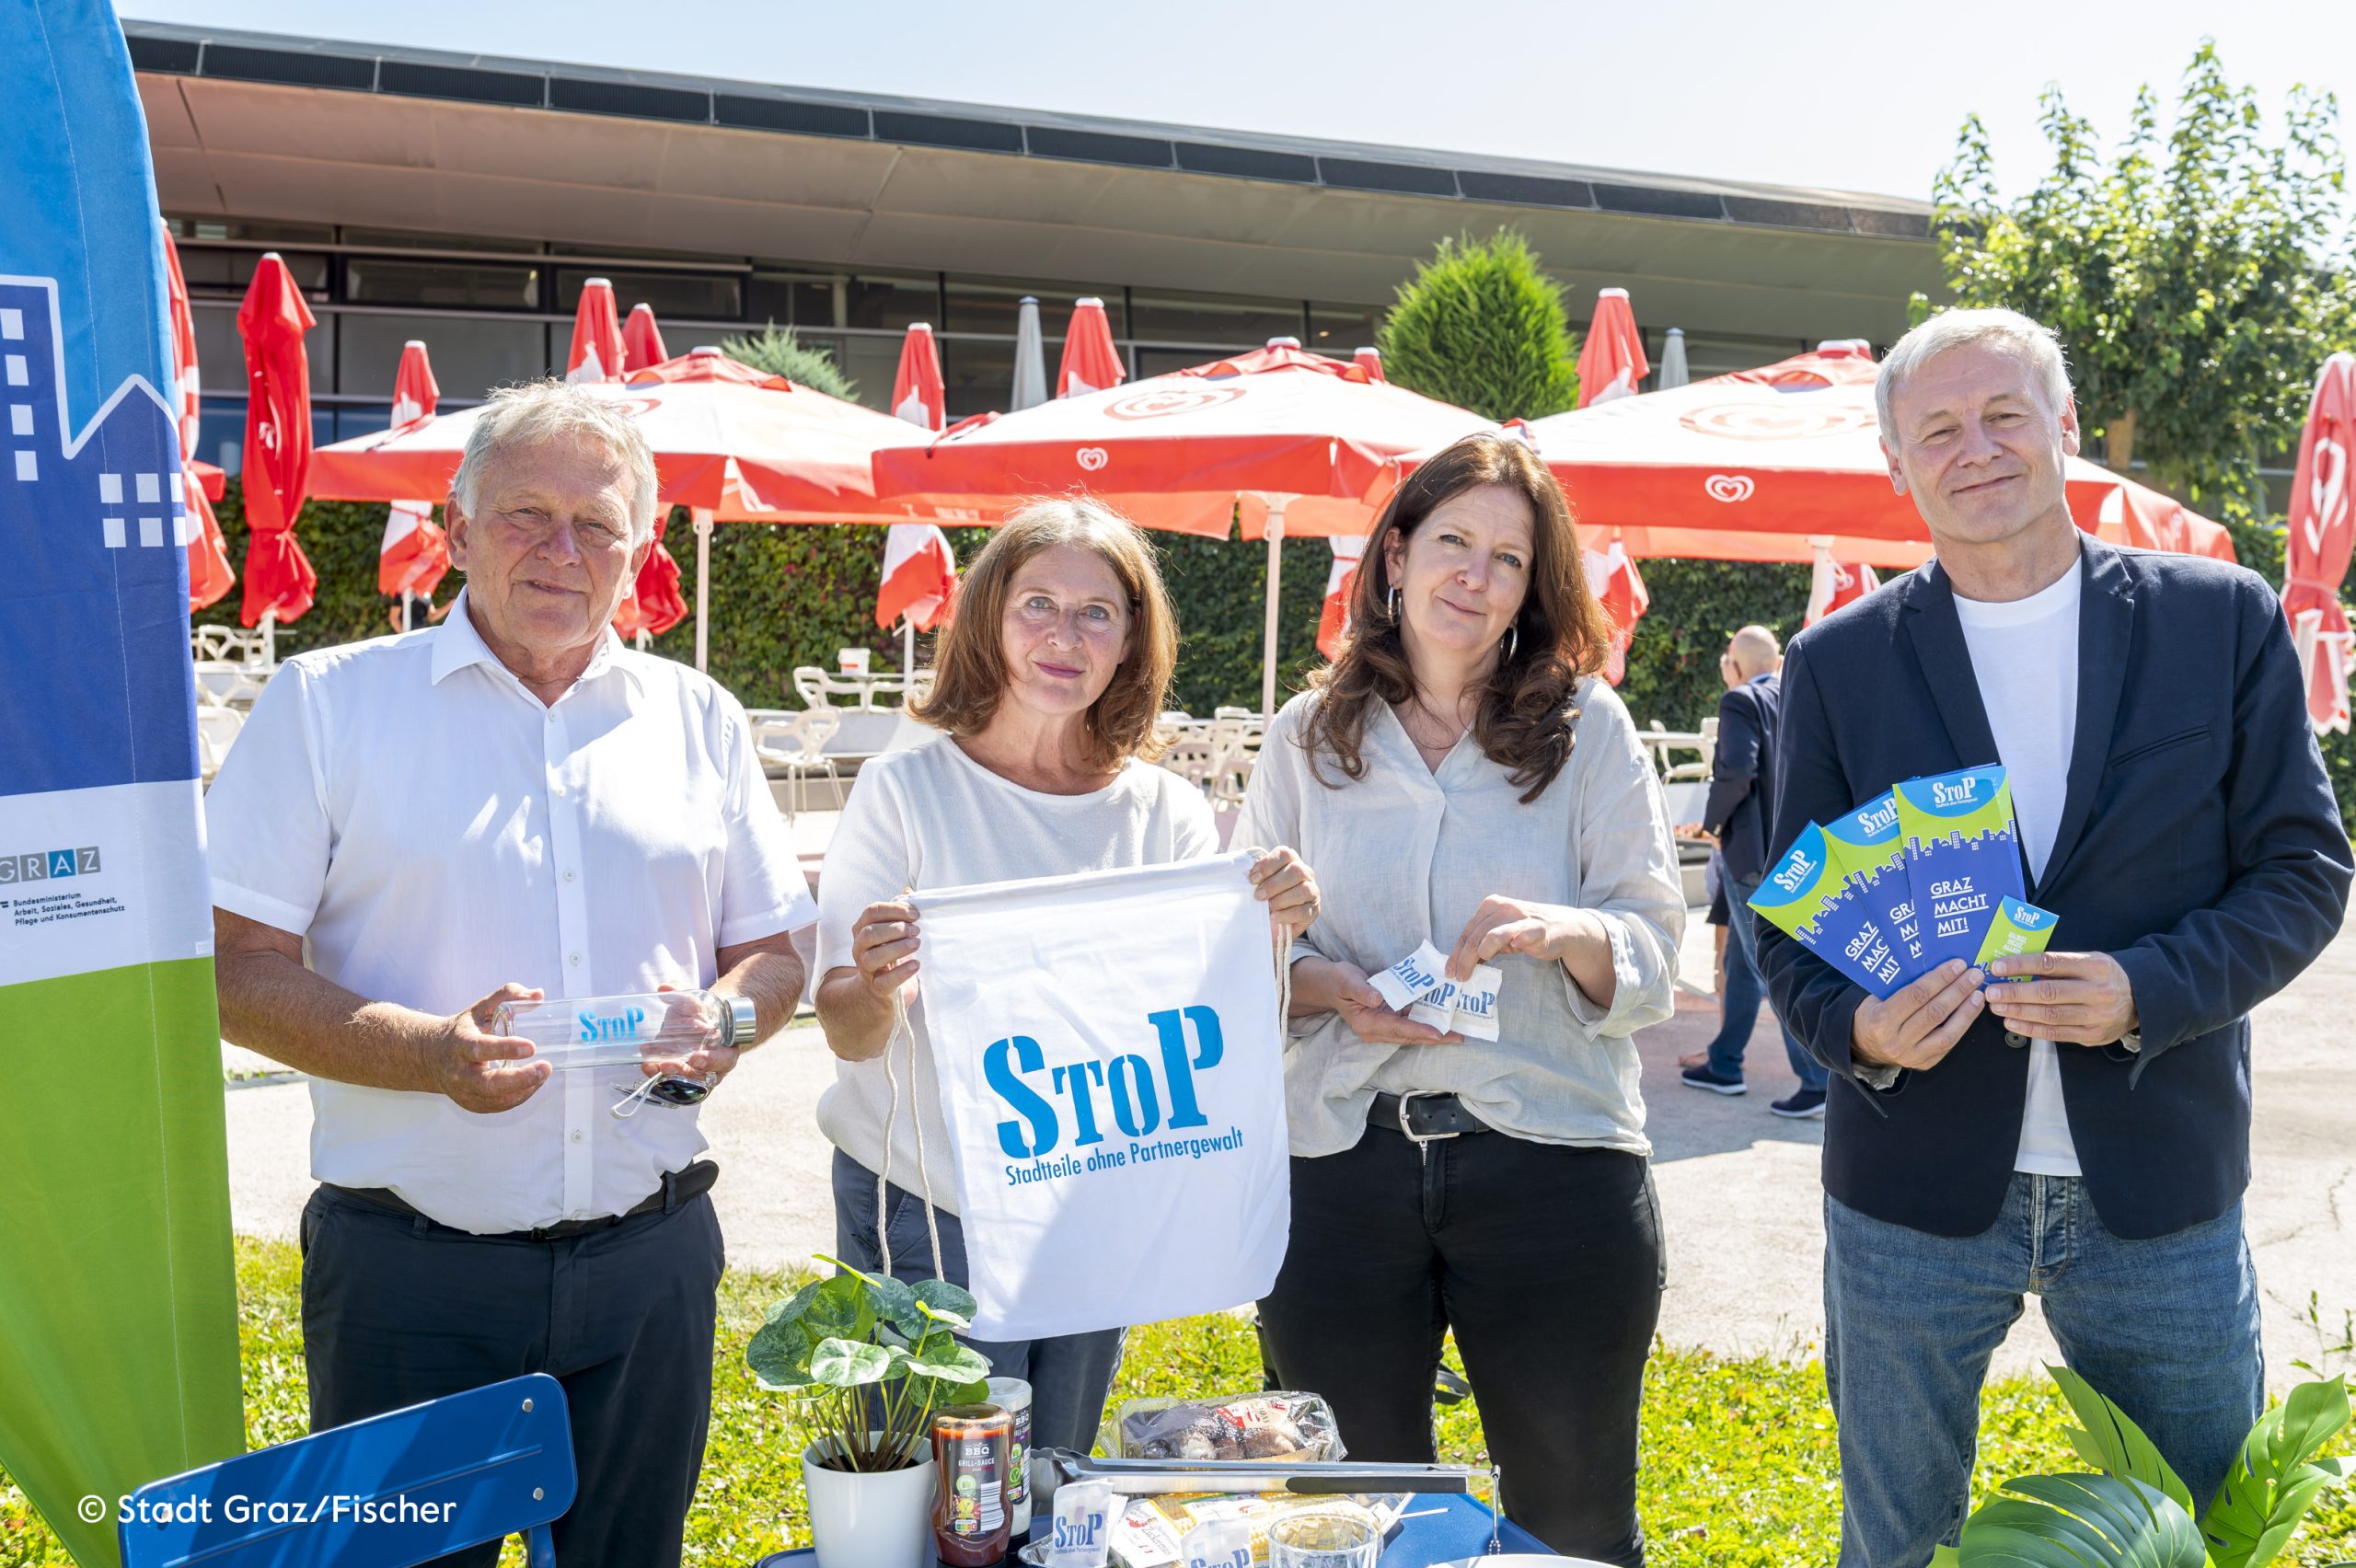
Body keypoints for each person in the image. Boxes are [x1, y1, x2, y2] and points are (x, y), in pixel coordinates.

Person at [1755, 309, 2353, 1567]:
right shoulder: (1837, 664)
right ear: (1896, 465)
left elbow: (2304, 871)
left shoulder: (2220, 620)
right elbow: (1789, 915)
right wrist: (1856, 1030)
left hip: (2158, 1180)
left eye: (2003, 414)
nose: (1975, 449)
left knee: (2201, 1534)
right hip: (1910, 1194)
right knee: (1896, 1546)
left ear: (2064, 426)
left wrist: (2148, 986)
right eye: (1937, 431)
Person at [207, 380, 815, 1568]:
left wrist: (729, 1020)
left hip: (650, 1266)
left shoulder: (698, 717)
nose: (561, 550)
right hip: (409, 1279)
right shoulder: (330, 707)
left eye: (597, 525)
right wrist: (428, 1054)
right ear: (457, 529)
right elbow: (231, 969)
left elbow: (778, 953)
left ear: (637, 551)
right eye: (527, 514)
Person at [1236, 433, 1684, 1565]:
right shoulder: (1304, 738)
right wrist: (1330, 987)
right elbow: (1242, 956)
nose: (1474, 577)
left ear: (1534, 587)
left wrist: (1566, 932)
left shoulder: (1590, 730)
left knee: (1571, 1524)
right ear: (1395, 556)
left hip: (1552, 1164)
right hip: (1339, 1167)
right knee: (1356, 1517)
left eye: (1508, 558)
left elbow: (1653, 948)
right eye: (1451, 542)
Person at [814, 499, 1318, 1458]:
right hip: (930, 1215)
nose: (1064, 635)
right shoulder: (906, 792)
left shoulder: (1166, 812)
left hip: (1090, 1199)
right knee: (928, 1492)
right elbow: (844, 1028)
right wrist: (874, 987)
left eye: (1096, 613)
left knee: (1052, 1475)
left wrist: (1268, 929)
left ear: (1130, 640)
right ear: (989, 619)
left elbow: (1202, 1019)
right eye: (1037, 604)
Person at [1679, 625, 1830, 1116]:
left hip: (1751, 853)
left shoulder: (1739, 700)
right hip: (1798, 851)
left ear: (1735, 664)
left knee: (1769, 964)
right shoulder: (1799, 692)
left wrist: (1711, 825)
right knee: (1744, 962)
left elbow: (1737, 770)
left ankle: (1817, 1081)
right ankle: (1725, 1063)